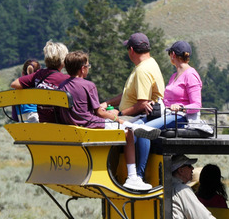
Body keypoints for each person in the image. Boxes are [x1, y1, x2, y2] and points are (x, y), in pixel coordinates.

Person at [56, 51, 162, 191]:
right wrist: (114, 116)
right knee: (128, 132)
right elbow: (98, 112)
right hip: (90, 125)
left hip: (75, 125)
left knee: (122, 124)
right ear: (82, 69)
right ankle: (132, 177)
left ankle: (133, 125)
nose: (88, 68)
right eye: (88, 66)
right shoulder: (88, 85)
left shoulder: (61, 86)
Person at [134, 40, 211, 178]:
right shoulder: (174, 76)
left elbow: (196, 105)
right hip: (167, 114)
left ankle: (139, 175)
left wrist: (181, 108)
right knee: (133, 126)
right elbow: (168, 100)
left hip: (181, 118)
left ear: (173, 55)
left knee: (144, 131)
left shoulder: (191, 75)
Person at [106, 33, 166, 180]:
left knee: (107, 125)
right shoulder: (150, 63)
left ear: (131, 50)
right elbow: (129, 94)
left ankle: (114, 173)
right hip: (140, 114)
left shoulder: (142, 70)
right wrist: (107, 103)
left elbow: (141, 104)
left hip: (137, 116)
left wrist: (119, 114)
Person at [10, 41, 69, 123]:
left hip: (41, 121)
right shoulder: (66, 79)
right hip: (58, 123)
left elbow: (14, 84)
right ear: (63, 60)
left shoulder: (39, 74)